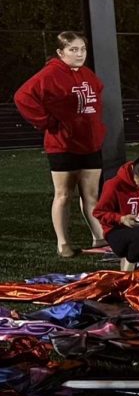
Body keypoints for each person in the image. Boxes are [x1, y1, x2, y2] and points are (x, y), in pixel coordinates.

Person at [14, 31, 107, 257]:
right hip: (62, 145)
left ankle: (100, 239)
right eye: (73, 50)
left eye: (82, 49)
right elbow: (22, 97)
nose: (79, 54)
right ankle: (63, 244)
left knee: (92, 195)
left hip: (90, 144)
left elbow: (95, 100)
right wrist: (47, 122)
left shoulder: (87, 74)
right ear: (60, 52)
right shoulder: (50, 74)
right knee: (64, 195)